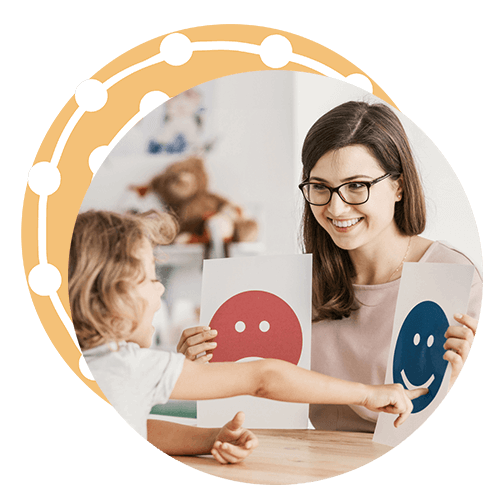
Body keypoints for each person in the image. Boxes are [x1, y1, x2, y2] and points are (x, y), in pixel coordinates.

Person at [179, 101, 482, 433]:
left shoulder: (449, 274)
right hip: (316, 461)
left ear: (399, 185)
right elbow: (260, 396)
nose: (336, 208)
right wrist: (201, 370)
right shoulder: (299, 284)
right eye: (320, 187)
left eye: (356, 186)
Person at [70, 209, 426, 464]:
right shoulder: (128, 366)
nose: (160, 289)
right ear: (113, 295)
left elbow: (139, 426)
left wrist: (210, 438)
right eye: (149, 277)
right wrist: (367, 393)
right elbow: (263, 376)